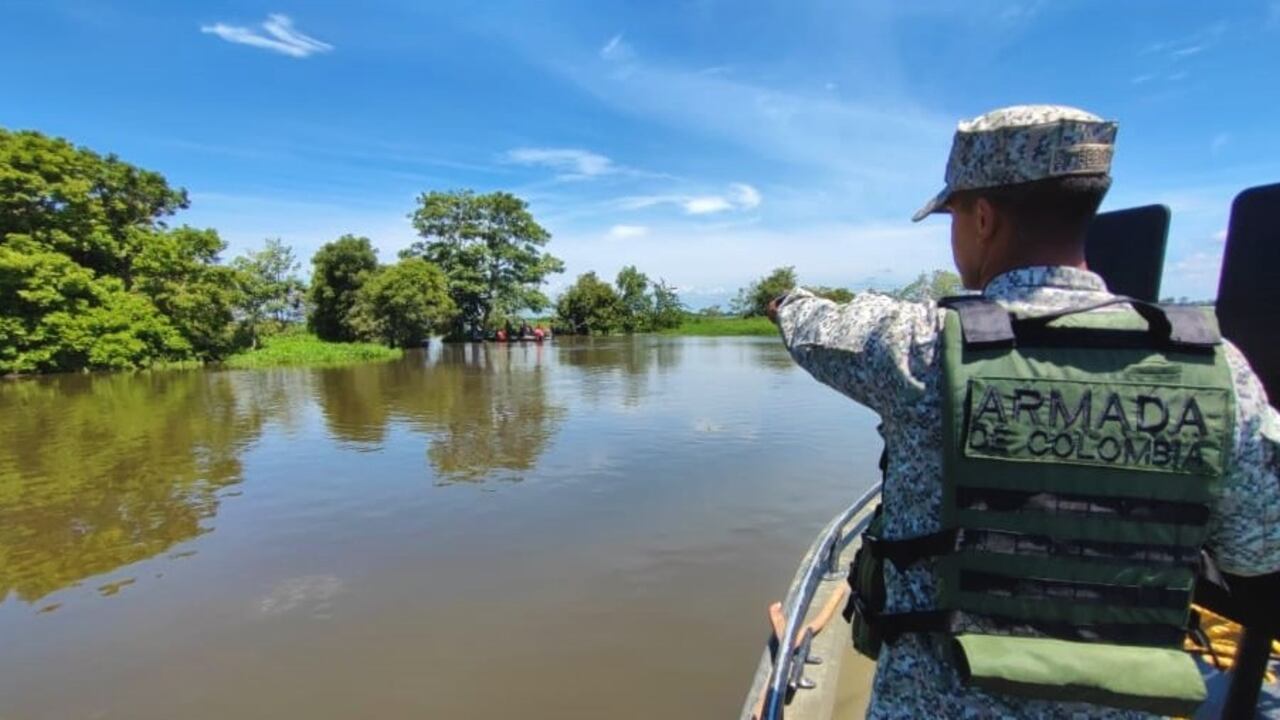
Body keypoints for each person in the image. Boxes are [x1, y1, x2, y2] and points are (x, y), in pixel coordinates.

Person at [768, 105, 1280, 719]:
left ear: (982, 218)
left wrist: (784, 301)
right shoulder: (1219, 372)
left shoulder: (920, 350)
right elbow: (1255, 555)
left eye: (953, 217)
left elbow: (820, 328)